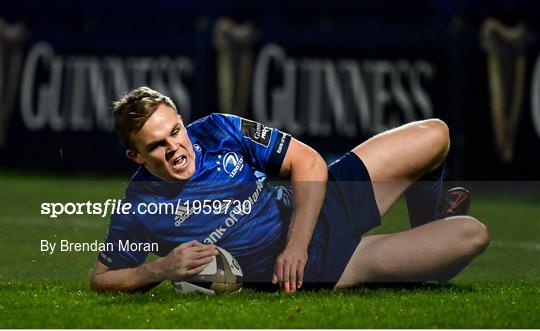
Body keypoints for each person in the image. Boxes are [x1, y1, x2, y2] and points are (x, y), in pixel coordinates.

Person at [89, 86, 489, 293]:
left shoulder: (218, 129)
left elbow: (308, 161)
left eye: (175, 131)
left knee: (436, 134)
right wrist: (160, 268)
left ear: (181, 119)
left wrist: (295, 243)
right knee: (472, 234)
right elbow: (101, 278)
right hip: (323, 267)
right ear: (135, 156)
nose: (176, 147)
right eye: (157, 145)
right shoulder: (140, 205)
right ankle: (426, 236)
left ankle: (427, 219)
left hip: (319, 204)